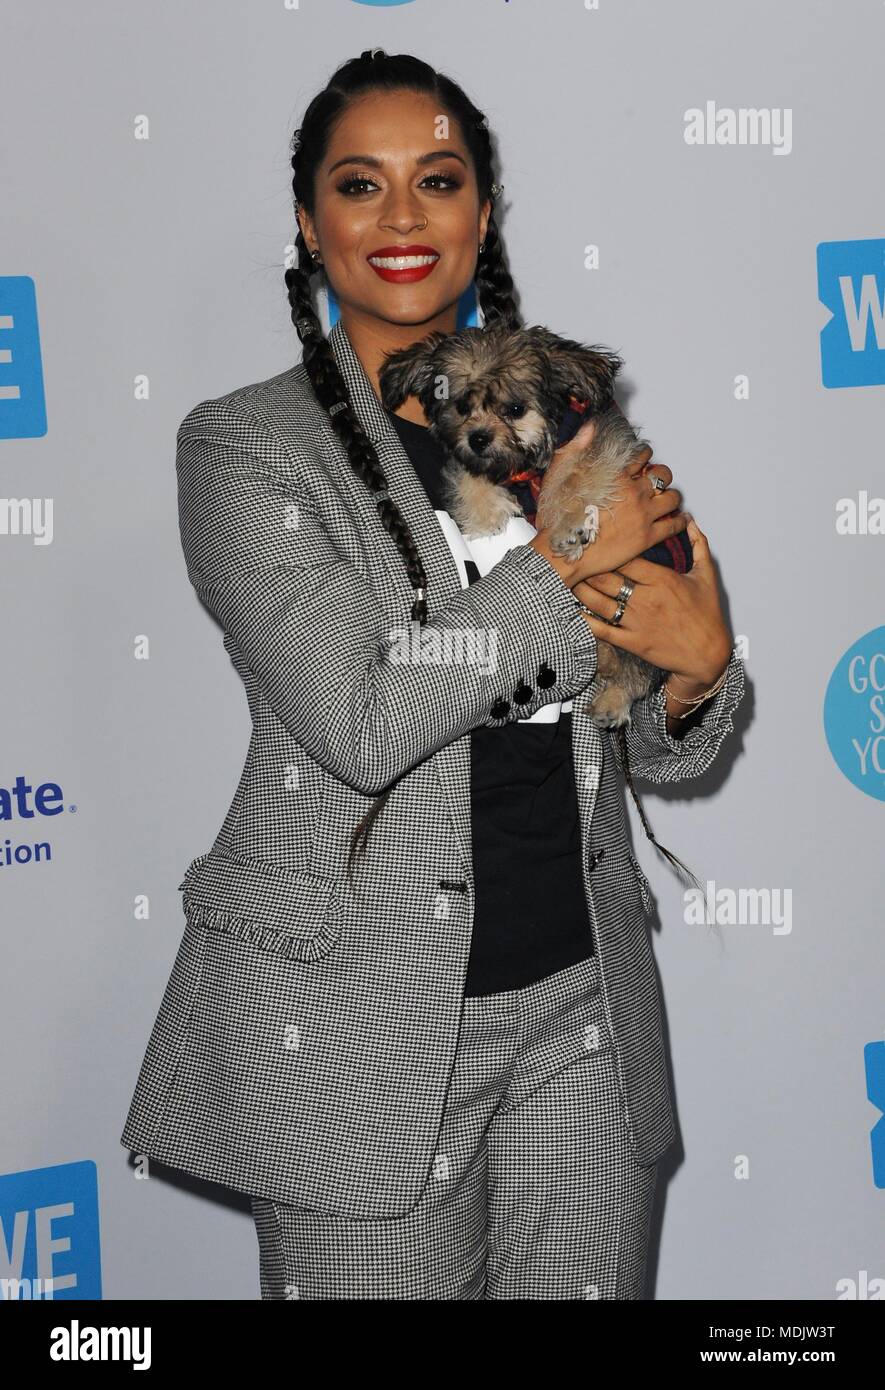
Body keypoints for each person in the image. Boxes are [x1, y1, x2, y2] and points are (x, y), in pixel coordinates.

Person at [120, 49, 745, 1300]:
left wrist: (698, 671)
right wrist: (571, 564)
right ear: (309, 220)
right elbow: (362, 713)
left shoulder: (571, 423)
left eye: (440, 180)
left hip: (584, 1005)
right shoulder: (244, 449)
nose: (404, 218)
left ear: (483, 211)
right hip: (361, 1025)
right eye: (362, 185)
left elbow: (664, 744)